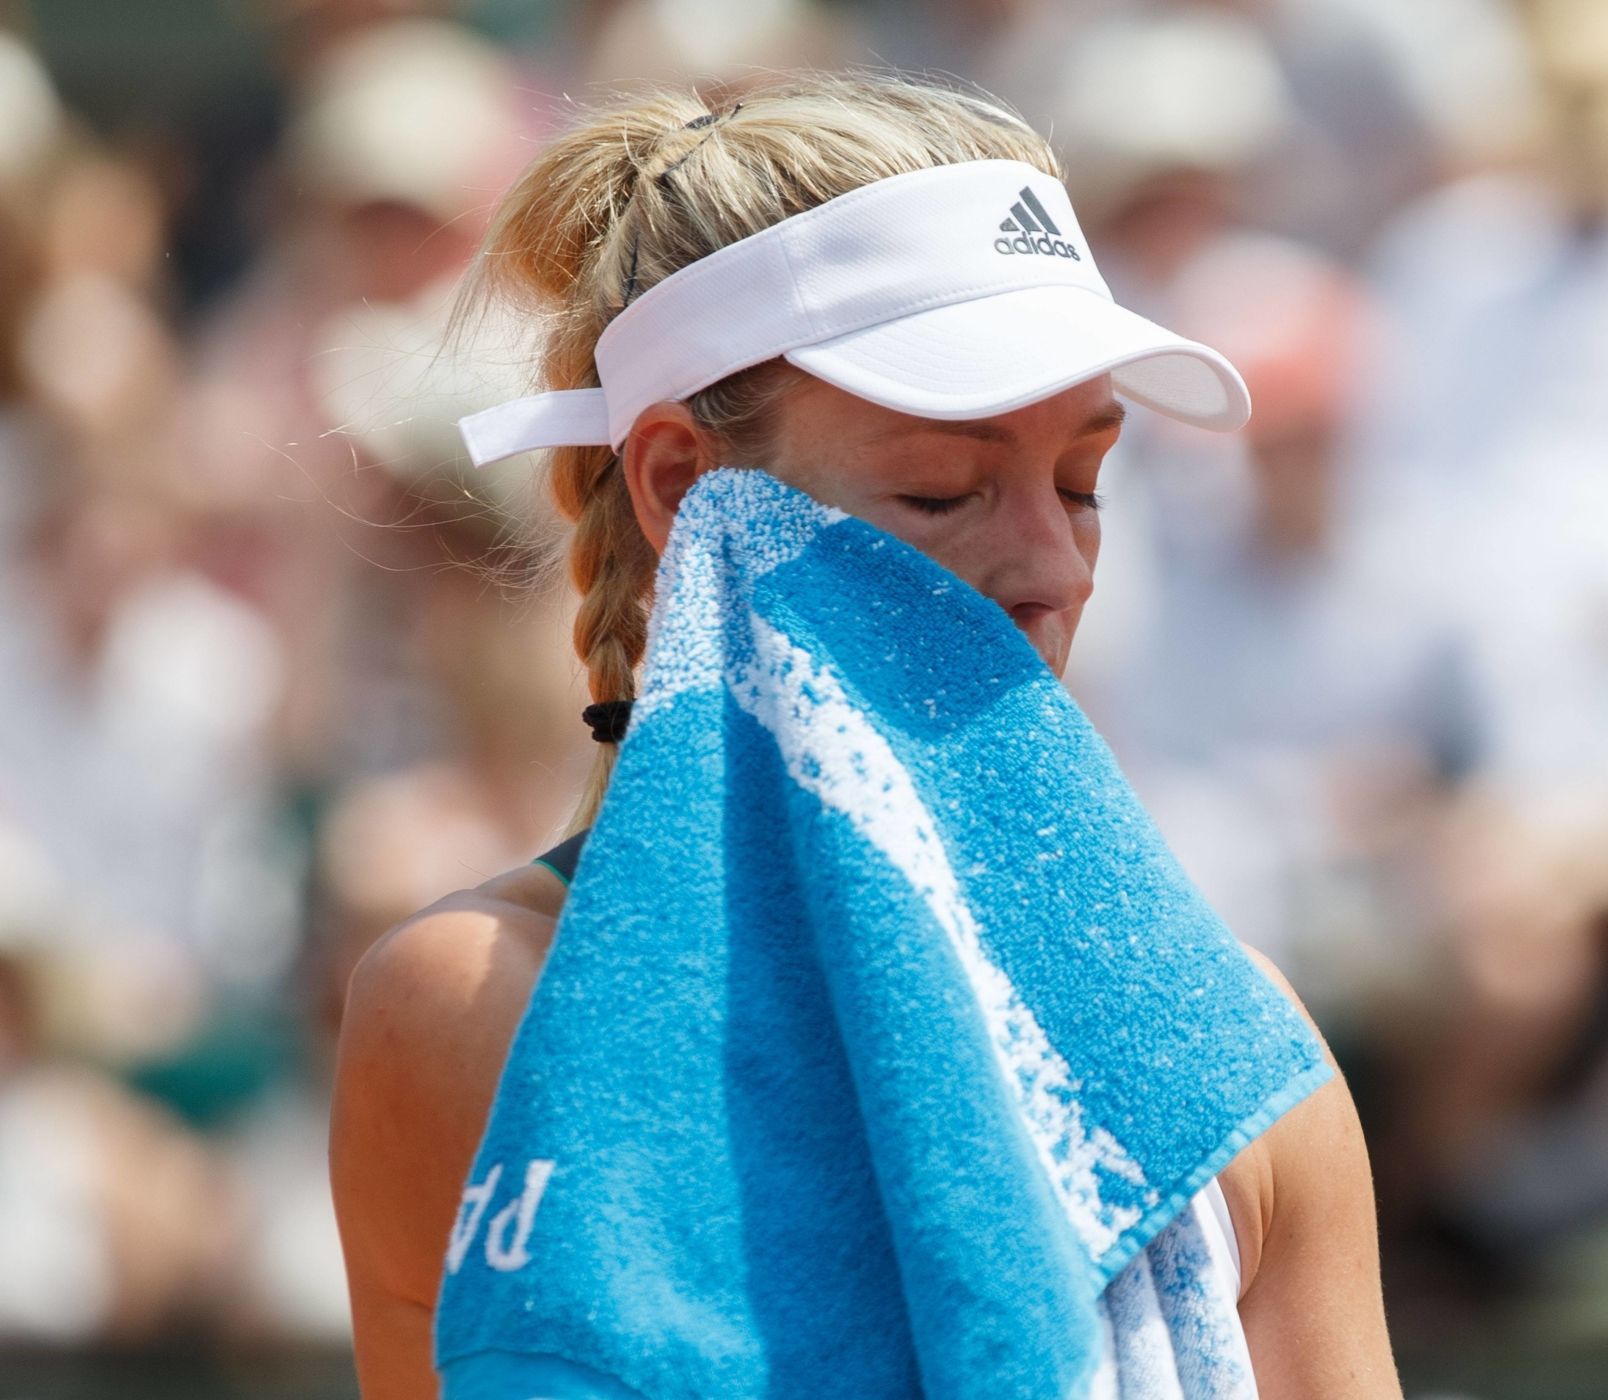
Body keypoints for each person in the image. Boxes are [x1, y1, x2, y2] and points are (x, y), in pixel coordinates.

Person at [329, 73, 1401, 1399]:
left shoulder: (1241, 1049)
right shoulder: (471, 1007)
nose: (1049, 566)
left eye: (1082, 483)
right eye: (942, 487)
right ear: (681, 486)